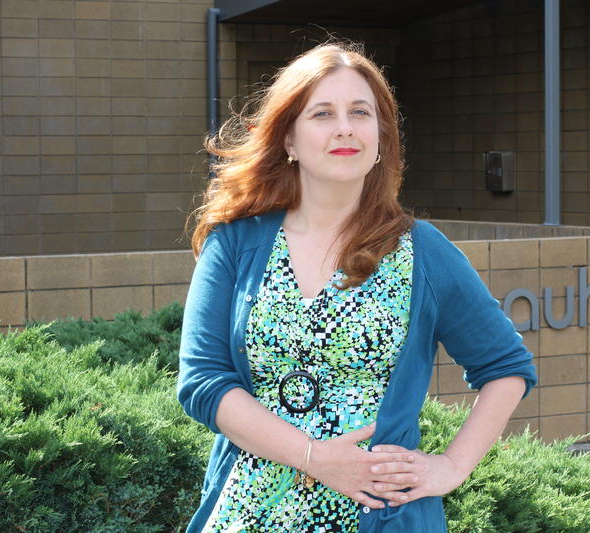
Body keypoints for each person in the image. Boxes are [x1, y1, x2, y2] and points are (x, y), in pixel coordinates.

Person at [178, 41, 537, 533]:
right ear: (288, 139)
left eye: (360, 112)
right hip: (248, 513)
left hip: (382, 515)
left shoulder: (422, 252)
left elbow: (506, 367)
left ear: (381, 136)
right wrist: (315, 459)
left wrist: (451, 467)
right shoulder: (235, 244)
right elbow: (204, 382)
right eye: (322, 113)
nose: (344, 127)